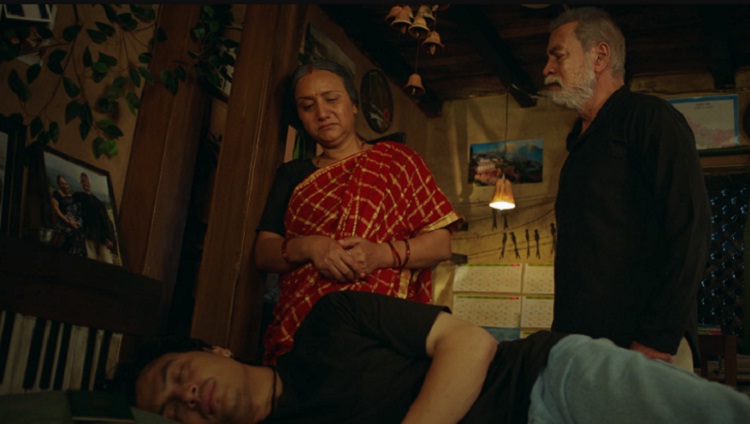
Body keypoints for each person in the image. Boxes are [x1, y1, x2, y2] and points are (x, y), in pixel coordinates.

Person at [124, 291, 750, 424]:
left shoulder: (329, 323)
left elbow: (470, 342)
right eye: (174, 411)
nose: (189, 396)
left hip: (545, 381)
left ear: (213, 350)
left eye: (179, 376)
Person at [254, 59, 462, 364]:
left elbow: (441, 244)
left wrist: (379, 254)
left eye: (331, 99)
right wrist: (312, 247)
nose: (322, 113)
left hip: (380, 326)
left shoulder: (398, 163)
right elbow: (263, 252)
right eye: (307, 106)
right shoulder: (292, 175)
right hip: (303, 328)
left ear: (353, 105)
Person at [542, 7, 712, 370]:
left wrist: (656, 337)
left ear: (599, 56)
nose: (546, 69)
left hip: (646, 349)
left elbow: (691, 225)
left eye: (558, 56)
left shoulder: (650, 118)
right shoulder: (577, 148)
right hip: (584, 351)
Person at [73, 172, 117, 264]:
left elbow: (105, 220)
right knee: (90, 258)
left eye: (86, 181)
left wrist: (109, 237)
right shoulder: (78, 196)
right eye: (83, 181)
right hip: (88, 234)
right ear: (81, 183)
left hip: (102, 236)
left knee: (107, 261)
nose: (85, 183)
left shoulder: (99, 203)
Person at [50, 174, 86, 257]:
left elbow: (77, 212)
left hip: (74, 224)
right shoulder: (56, 194)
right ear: (59, 184)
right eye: (62, 184)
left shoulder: (72, 197)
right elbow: (56, 210)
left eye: (65, 183)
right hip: (63, 224)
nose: (65, 186)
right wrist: (68, 222)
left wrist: (76, 222)